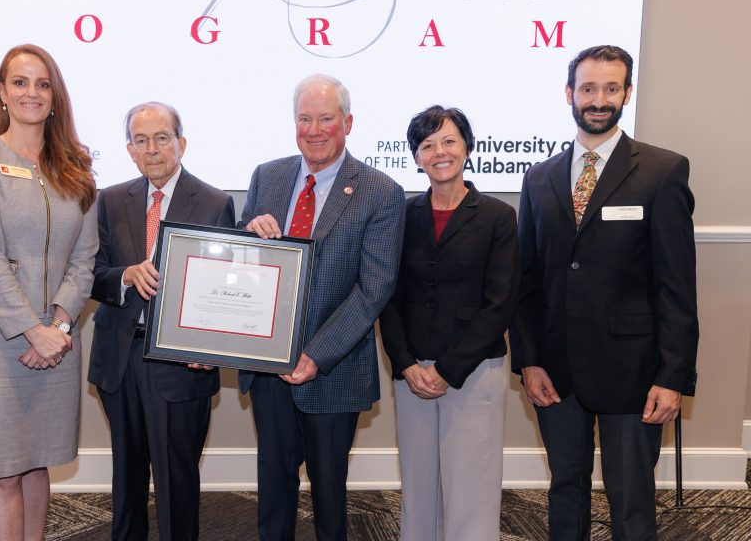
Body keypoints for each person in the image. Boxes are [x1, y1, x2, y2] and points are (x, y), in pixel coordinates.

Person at [510, 45, 699, 540]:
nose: (599, 99)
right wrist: (529, 361)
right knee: (564, 490)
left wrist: (673, 375)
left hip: (635, 374)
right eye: (588, 88)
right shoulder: (539, 178)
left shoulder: (662, 171)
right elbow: (526, 282)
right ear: (569, 94)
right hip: (556, 373)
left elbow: (677, 286)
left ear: (627, 94)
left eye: (611, 88)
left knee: (631, 500)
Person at [240, 74, 405, 541]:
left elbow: (375, 288)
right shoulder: (267, 175)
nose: (314, 129)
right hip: (269, 364)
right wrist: (250, 228)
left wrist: (317, 353)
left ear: (348, 122)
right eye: (304, 119)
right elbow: (239, 250)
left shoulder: (380, 191)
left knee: (330, 494)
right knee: (273, 489)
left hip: (333, 368)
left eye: (325, 119)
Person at [0, 44, 98, 540]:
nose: (30, 92)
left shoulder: (77, 165)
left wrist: (57, 325)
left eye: (42, 83)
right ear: (2, 92)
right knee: (3, 470)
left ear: (55, 96)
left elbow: (85, 259)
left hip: (56, 338)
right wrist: (31, 329)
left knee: (39, 464)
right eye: (19, 82)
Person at [89, 101, 235, 540]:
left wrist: (209, 348)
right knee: (126, 481)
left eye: (162, 138)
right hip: (120, 360)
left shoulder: (214, 202)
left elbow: (226, 289)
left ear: (181, 143)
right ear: (129, 149)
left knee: (176, 484)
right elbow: (90, 276)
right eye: (141, 140)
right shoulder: (111, 200)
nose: (152, 149)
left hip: (179, 365)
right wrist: (124, 275)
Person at [378, 106, 519, 541]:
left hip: (473, 370)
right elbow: (389, 295)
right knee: (419, 486)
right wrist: (404, 364)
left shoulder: (497, 216)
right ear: (416, 156)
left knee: (470, 488)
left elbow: (500, 305)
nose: (439, 151)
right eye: (427, 144)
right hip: (413, 372)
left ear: (468, 148)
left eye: (449, 141)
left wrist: (447, 369)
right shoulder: (403, 215)